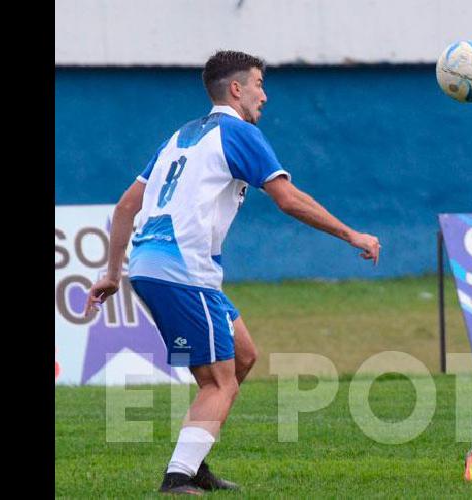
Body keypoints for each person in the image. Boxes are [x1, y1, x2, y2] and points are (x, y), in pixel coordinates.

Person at [84, 50, 382, 494]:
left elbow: (128, 204)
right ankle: (178, 476)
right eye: (260, 84)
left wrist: (113, 272)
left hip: (156, 266)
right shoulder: (239, 132)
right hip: (183, 269)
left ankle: (196, 459)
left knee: (243, 356)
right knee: (218, 382)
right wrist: (351, 234)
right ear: (237, 89)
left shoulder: (180, 135)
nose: (265, 94)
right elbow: (287, 198)